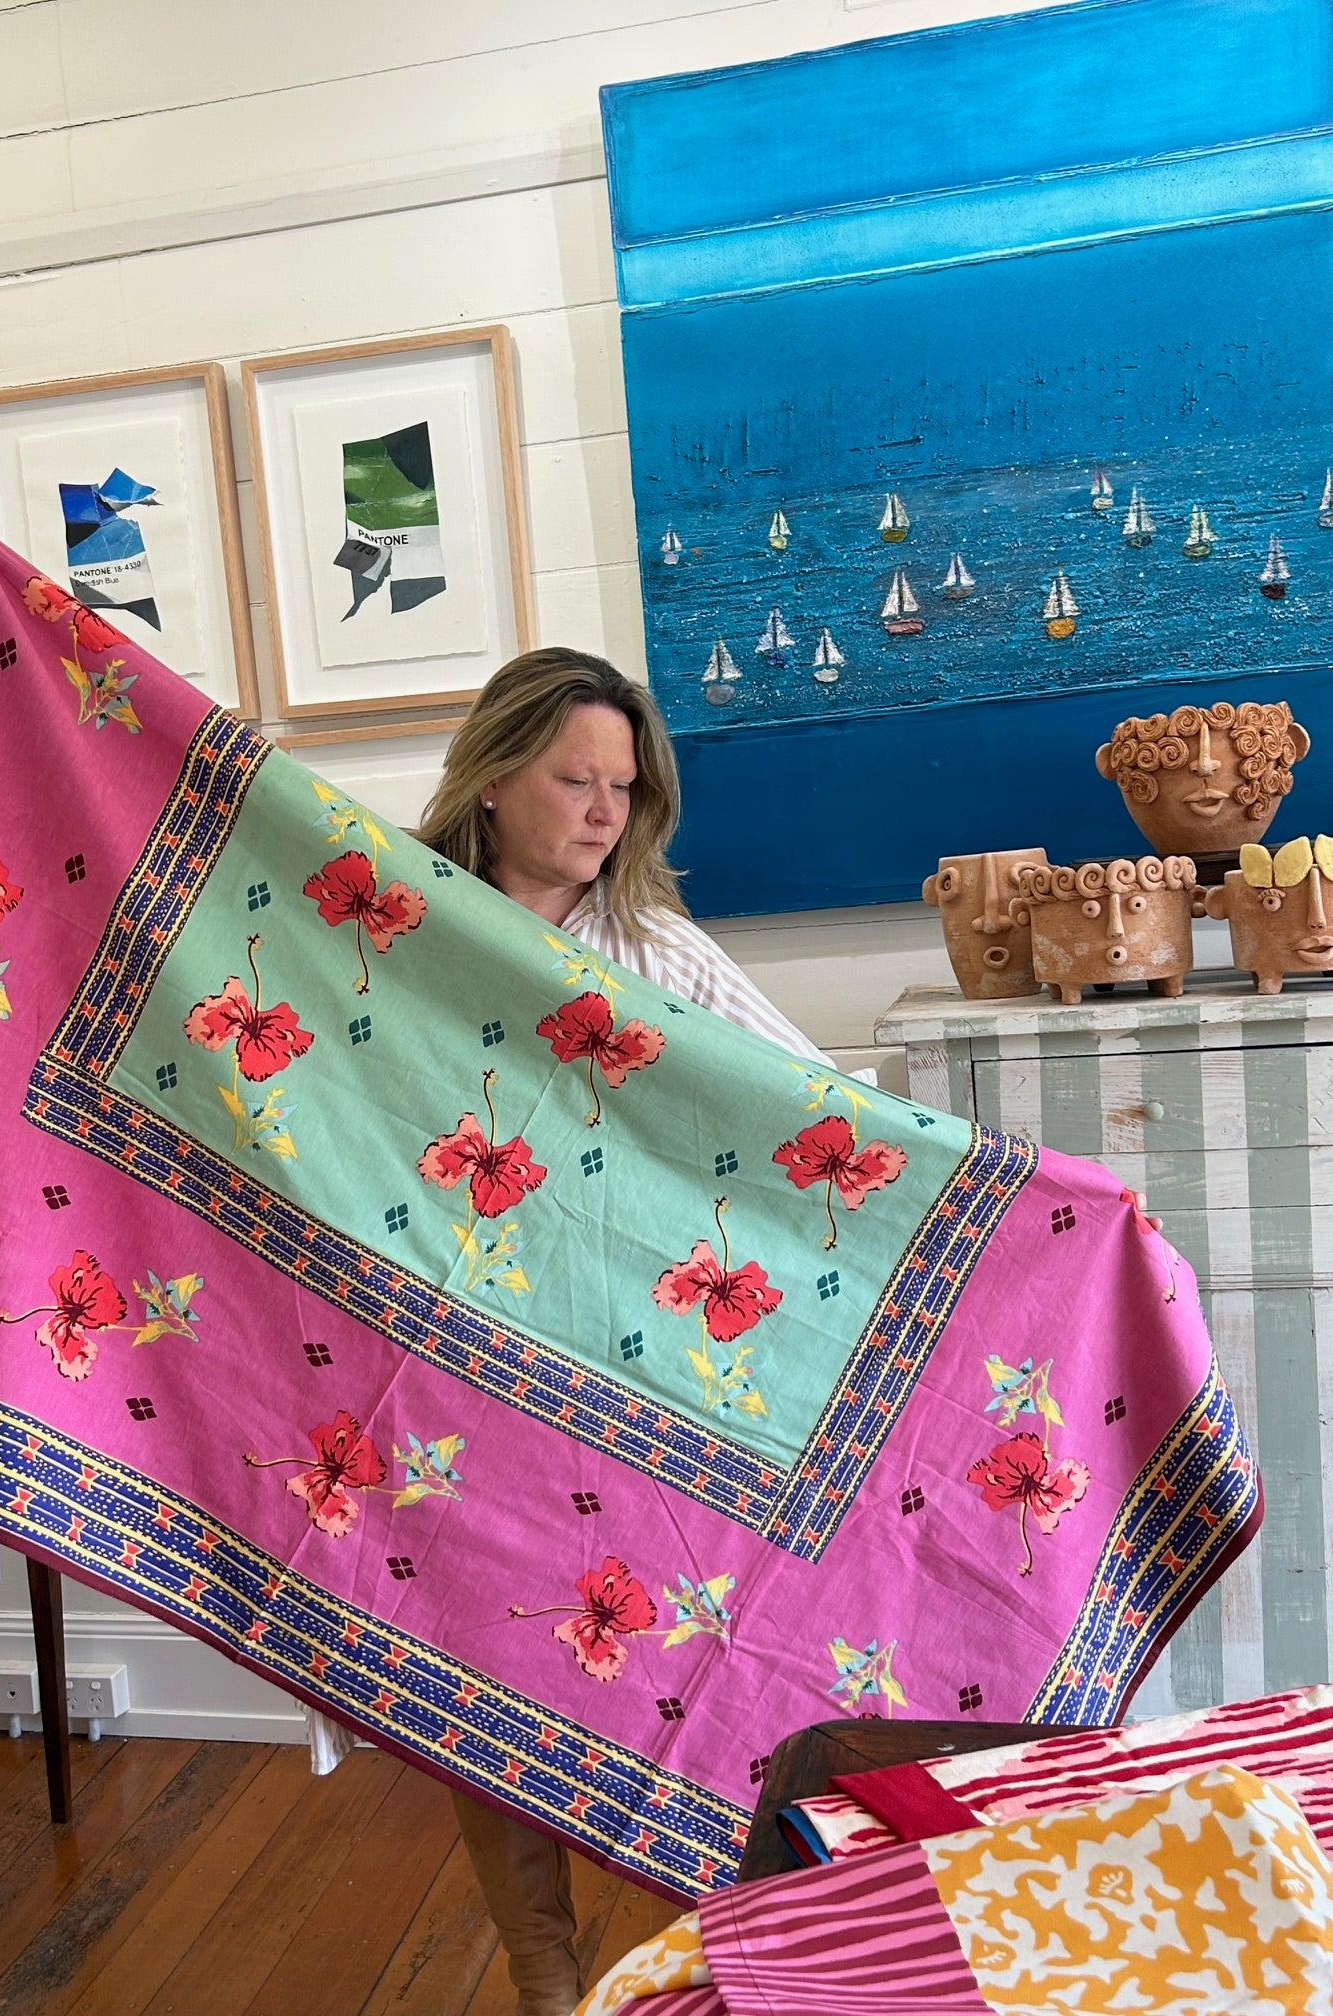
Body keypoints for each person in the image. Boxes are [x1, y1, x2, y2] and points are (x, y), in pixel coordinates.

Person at [415, 645, 831, 2016]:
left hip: (640, 1372)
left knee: (667, 1655)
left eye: (625, 787)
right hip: (456, 1359)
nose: (605, 812)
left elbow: (822, 1109)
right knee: (486, 1661)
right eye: (574, 779)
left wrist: (1017, 1192)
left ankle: (693, 1965)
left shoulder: (654, 950)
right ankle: (543, 1969)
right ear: (493, 779)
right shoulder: (394, 924)